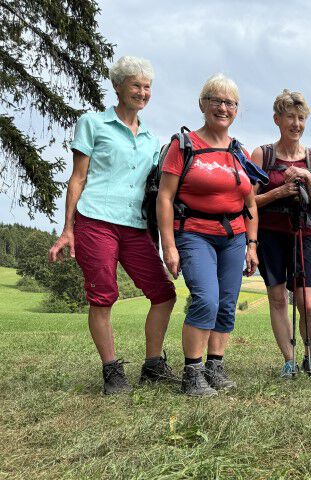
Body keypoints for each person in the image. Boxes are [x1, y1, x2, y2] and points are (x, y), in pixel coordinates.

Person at [48, 56, 177, 395]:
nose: (142, 92)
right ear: (118, 86)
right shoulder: (93, 123)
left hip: (135, 227)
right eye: (135, 85)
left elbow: (158, 189)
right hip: (96, 221)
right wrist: (68, 229)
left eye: (147, 87)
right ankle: (111, 371)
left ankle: (153, 366)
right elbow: (77, 178)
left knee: (163, 294)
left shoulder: (152, 138)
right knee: (104, 297)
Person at [157, 74, 262, 396]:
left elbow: (250, 202)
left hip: (233, 236)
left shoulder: (238, 150)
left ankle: (215, 365)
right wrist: (169, 246)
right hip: (194, 234)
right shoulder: (184, 145)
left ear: (236, 110)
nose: (222, 107)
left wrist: (252, 245)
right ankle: (193, 371)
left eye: (230, 102)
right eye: (215, 100)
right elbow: (165, 197)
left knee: (227, 304)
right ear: (202, 105)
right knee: (206, 299)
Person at [250, 90, 311, 378]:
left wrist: (307, 178)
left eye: (301, 118)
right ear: (277, 119)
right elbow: (248, 202)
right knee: (278, 299)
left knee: (307, 303)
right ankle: (289, 358)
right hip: (270, 236)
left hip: (304, 234)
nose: (296, 124)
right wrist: (280, 192)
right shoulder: (262, 154)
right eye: (290, 117)